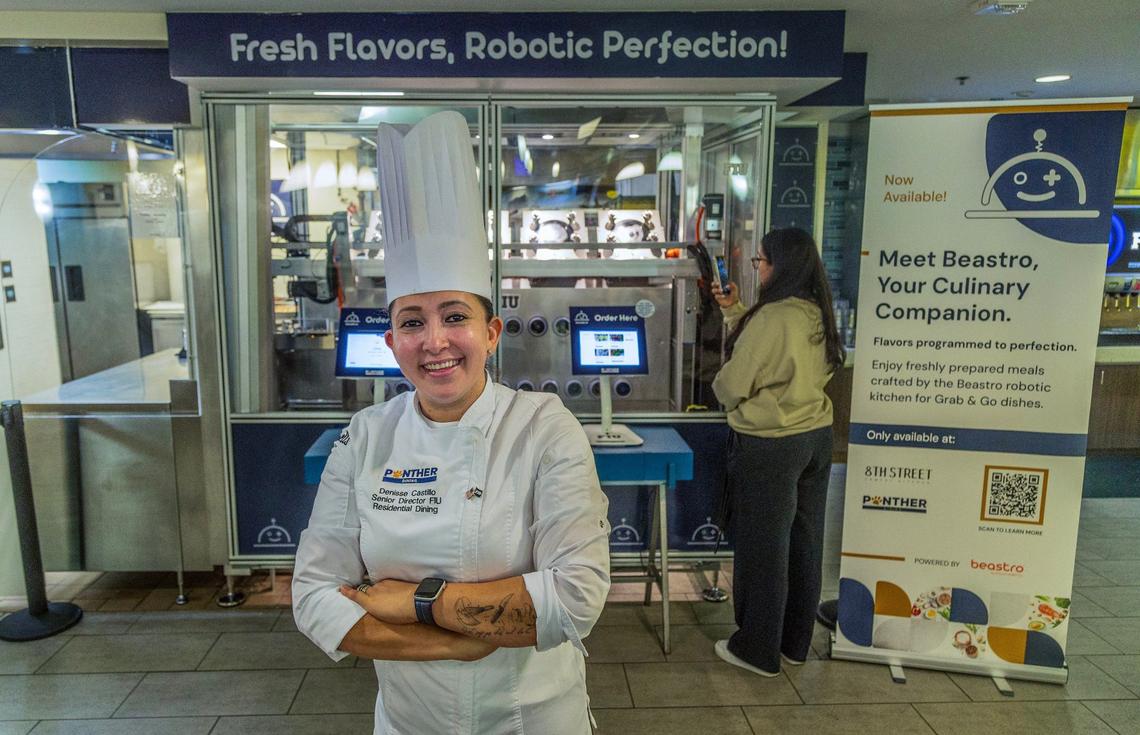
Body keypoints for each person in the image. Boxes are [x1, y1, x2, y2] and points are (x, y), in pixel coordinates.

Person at [292, 111, 611, 734]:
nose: (435, 341)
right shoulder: (366, 437)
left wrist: (418, 600)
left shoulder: (544, 428)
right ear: (392, 343)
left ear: (490, 333)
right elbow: (313, 597)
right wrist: (454, 642)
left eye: (455, 316)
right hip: (409, 721)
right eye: (412, 322)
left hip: (533, 720)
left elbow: (575, 600)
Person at [708, 227, 845, 676]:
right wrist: (734, 311)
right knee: (805, 543)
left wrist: (722, 389)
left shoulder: (773, 316)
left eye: (761, 260)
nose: (758, 268)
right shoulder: (815, 310)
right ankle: (793, 644)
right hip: (815, 438)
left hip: (770, 444)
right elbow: (784, 356)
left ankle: (757, 649)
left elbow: (734, 383)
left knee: (763, 547)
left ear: (778, 265)